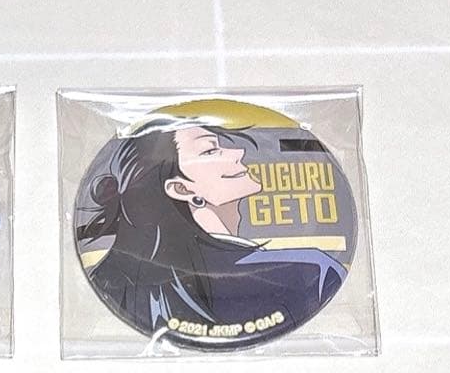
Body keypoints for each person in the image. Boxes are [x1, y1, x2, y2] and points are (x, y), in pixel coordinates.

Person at [81, 119, 345, 337]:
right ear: (181, 188)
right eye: (210, 151)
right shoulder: (311, 272)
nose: (239, 152)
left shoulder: (121, 281)